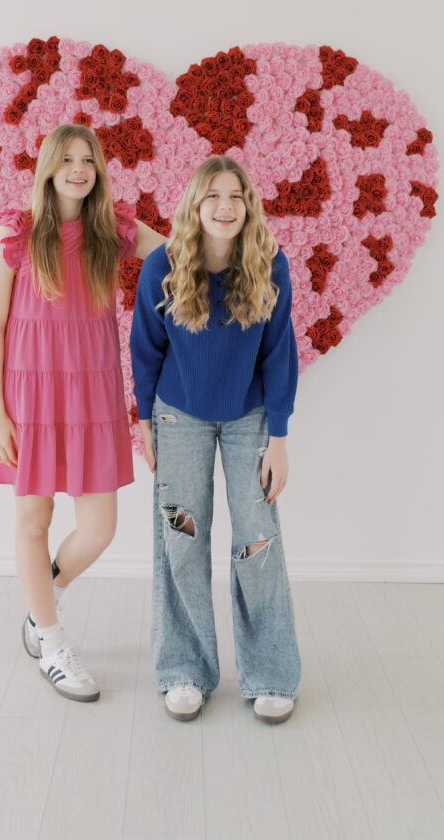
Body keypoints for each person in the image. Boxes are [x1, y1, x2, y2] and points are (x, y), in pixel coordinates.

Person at [0, 123, 164, 702]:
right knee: (34, 519)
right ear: (49, 168)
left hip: (91, 394)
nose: (80, 169)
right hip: (27, 394)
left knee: (98, 528)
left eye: (90, 160)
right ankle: (52, 644)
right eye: (68, 160)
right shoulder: (18, 230)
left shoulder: (114, 228)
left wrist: (248, 241)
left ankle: (40, 604)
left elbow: (180, 248)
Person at [130, 155, 302, 724]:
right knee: (181, 536)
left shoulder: (271, 266)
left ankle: (271, 674)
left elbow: (280, 356)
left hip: (250, 418)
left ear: (248, 205)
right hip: (178, 419)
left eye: (236, 196)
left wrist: (278, 438)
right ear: (195, 206)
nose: (225, 207)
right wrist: (143, 421)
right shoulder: (161, 265)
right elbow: (144, 349)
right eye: (213, 196)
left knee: (259, 540)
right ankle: (184, 669)